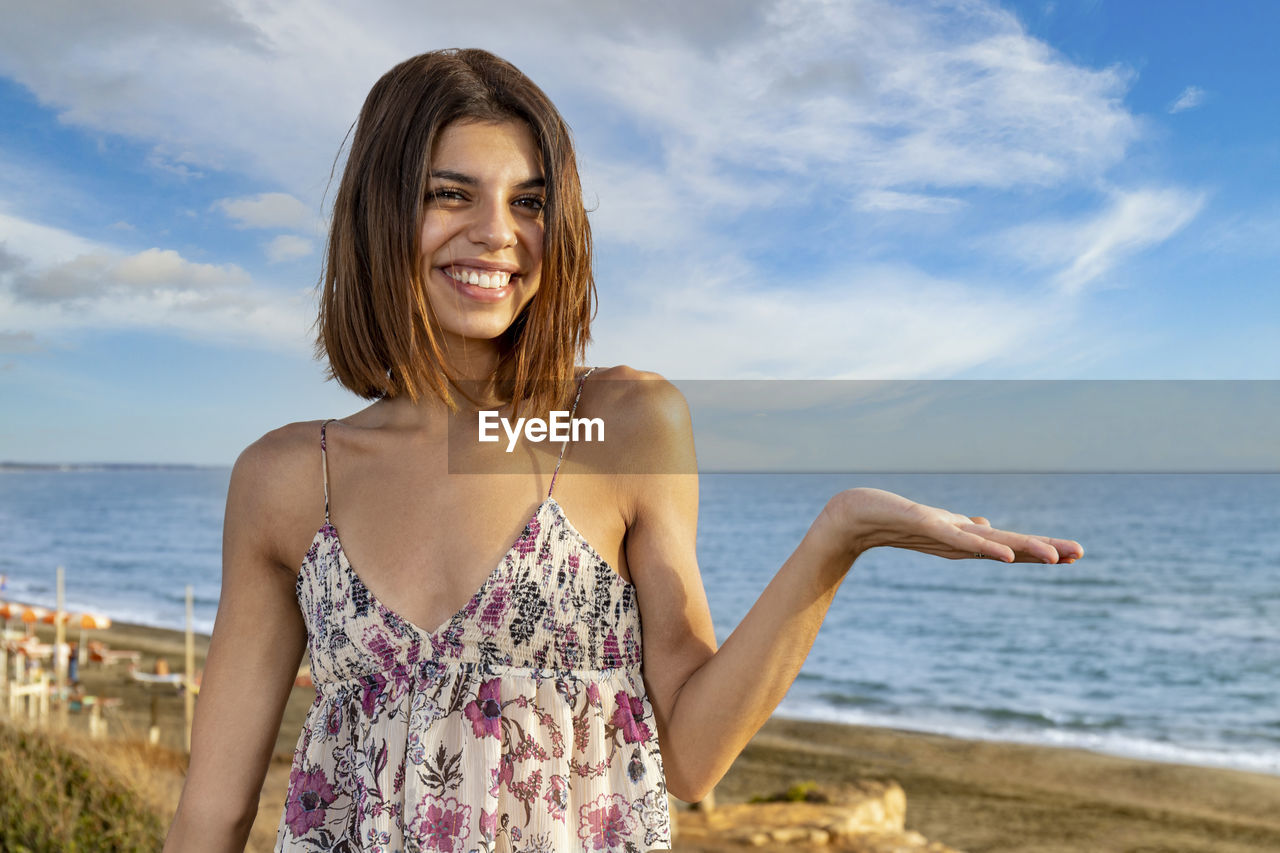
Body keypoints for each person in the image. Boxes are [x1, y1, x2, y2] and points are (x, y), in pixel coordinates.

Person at [163, 48, 1082, 853]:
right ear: (376, 211)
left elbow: (688, 753)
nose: (497, 233)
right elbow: (210, 816)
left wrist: (834, 540)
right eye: (451, 194)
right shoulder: (290, 479)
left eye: (528, 202)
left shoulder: (618, 426)